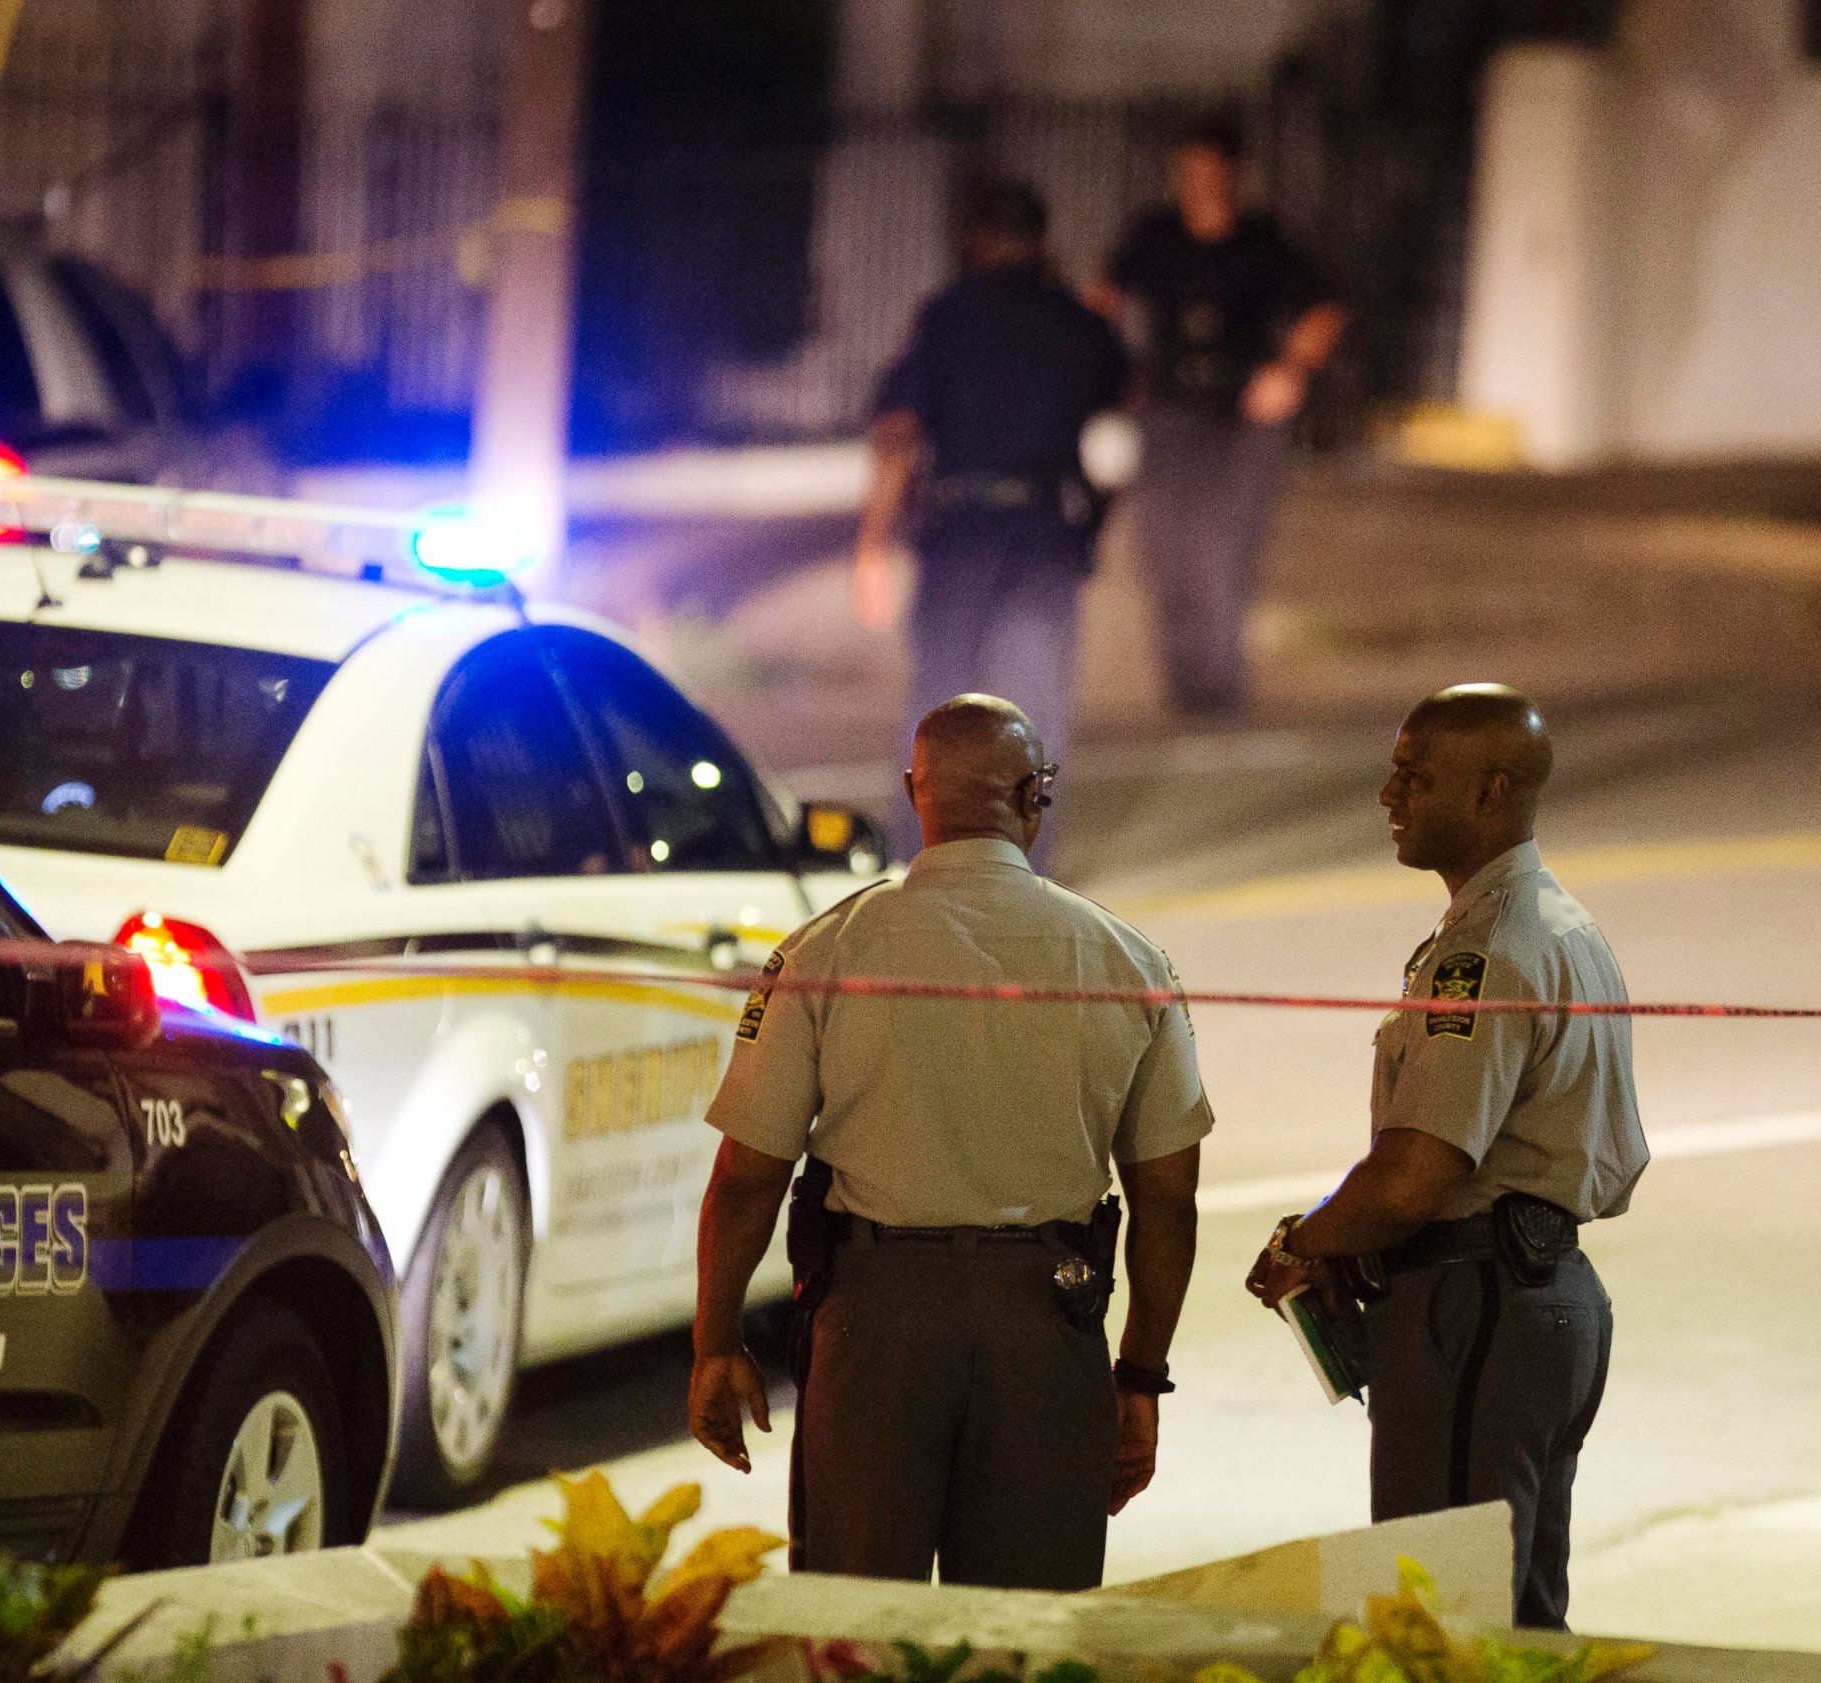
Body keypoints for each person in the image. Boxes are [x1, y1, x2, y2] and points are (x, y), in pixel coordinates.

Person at [687, 694, 1210, 1592]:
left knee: (862, 1630)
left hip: (874, 1330)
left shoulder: (822, 949)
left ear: (911, 792)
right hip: (1048, 1329)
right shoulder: (1131, 960)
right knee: (1028, 1640)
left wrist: (715, 1341)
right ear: (1031, 795)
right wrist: (1140, 1375)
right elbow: (1167, 1196)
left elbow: (746, 1177)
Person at [1244, 685, 1648, 1631]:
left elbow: (1417, 1175)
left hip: (1478, 1308)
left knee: (1440, 1622)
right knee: (1521, 1622)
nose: (1389, 794)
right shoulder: (1563, 925)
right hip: (1544, 1295)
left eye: (1414, 776)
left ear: (1491, 790)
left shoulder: (1488, 952)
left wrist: (1303, 1240)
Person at [857, 180, 1131, 854]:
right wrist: (1092, 525)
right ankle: (1025, 873)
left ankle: (917, 860)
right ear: (1042, 243)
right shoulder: (1077, 322)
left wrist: (872, 543)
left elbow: (897, 429)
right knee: (1032, 716)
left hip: (958, 533)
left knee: (940, 709)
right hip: (1043, 535)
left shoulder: (945, 316)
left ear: (975, 240)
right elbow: (1124, 432)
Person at [1092, 118, 1345, 721]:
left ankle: (1220, 698)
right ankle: (1183, 697)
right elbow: (1100, 299)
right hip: (1168, 413)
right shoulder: (1156, 237)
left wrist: (1290, 370)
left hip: (1241, 420)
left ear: (1234, 175)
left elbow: (1326, 309)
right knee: (1163, 554)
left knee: (1224, 555)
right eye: (1189, 174)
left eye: (1211, 173)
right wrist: (1114, 372)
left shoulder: (1262, 242)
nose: (1199, 185)